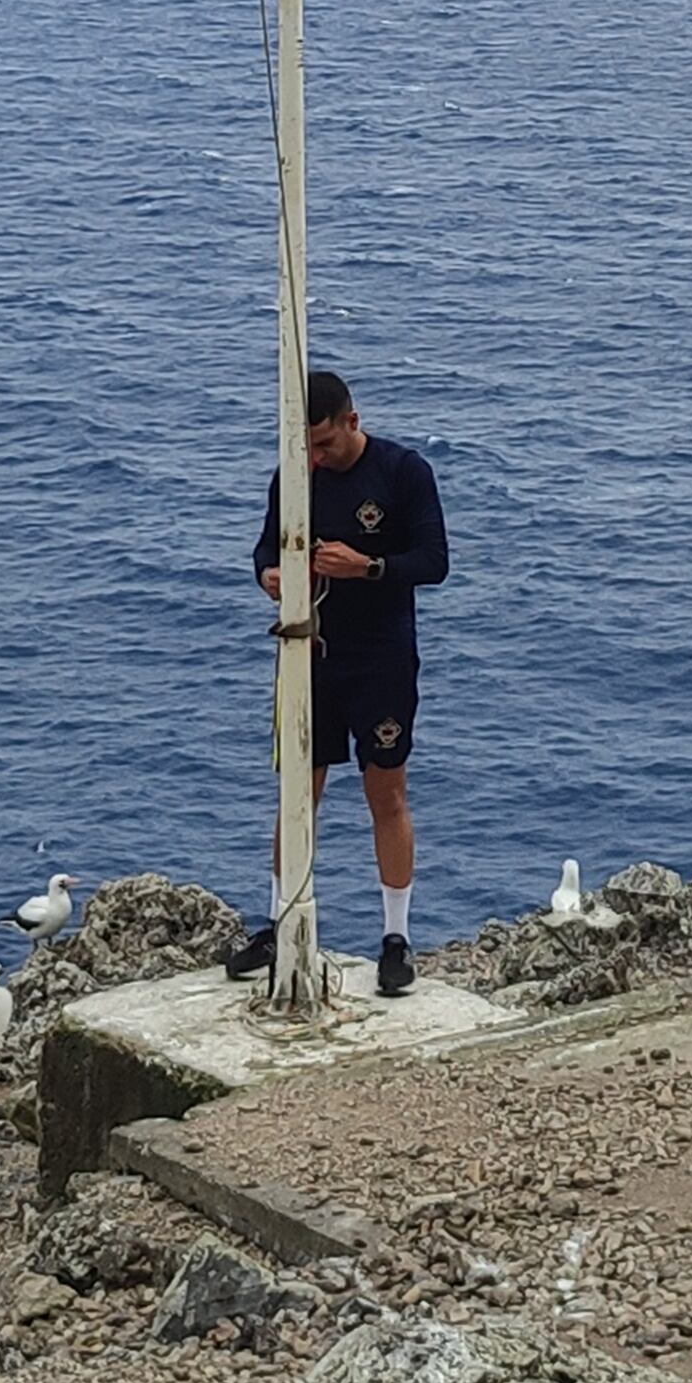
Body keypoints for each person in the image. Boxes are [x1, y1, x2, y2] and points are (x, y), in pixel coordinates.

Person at [233, 368, 448, 997]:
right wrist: (269, 576)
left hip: (380, 658)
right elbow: (263, 549)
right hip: (309, 652)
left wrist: (368, 566)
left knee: (385, 792)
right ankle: (280, 922)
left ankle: (396, 937)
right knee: (299, 790)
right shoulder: (294, 476)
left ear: (352, 422)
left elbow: (434, 562)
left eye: (325, 445)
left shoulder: (403, 473)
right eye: (308, 448)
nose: (317, 458)